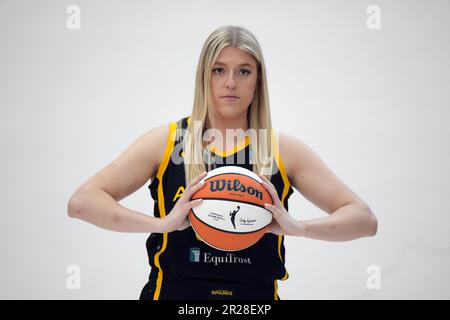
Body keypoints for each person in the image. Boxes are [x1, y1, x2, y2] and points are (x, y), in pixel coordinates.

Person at [67, 25, 378, 300]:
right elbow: (82, 202)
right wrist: (162, 225)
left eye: (244, 71)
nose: (231, 82)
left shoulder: (280, 149)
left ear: (258, 81)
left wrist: (297, 229)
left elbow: (364, 220)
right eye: (219, 70)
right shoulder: (167, 142)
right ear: (204, 75)